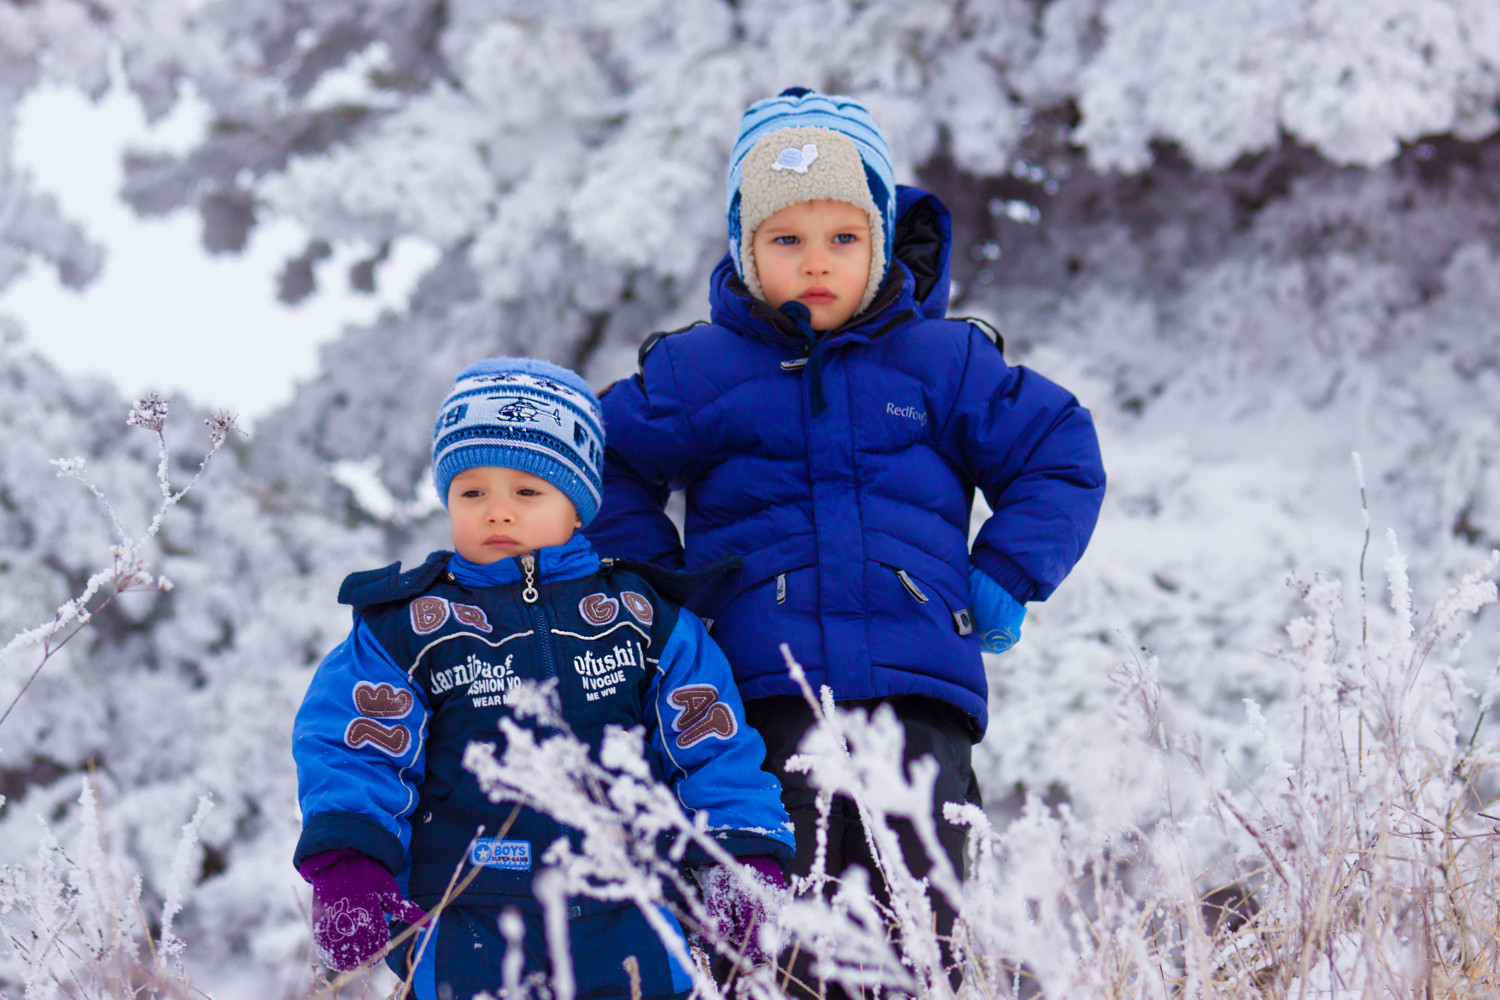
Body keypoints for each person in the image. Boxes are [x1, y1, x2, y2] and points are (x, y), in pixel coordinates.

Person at [585, 89, 1106, 994]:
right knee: (772, 931)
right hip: (761, 703)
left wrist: (1009, 569)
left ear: (877, 240)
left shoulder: (945, 363)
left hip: (919, 701)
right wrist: (659, 587)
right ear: (748, 249)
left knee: (922, 931)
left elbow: (1058, 450)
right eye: (787, 240)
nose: (816, 263)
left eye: (843, 237)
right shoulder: (698, 371)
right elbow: (600, 465)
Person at [292, 358, 794, 1000]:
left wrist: (739, 859)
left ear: (577, 506)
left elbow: (710, 743)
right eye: (473, 492)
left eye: (527, 491)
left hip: (632, 915)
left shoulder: (643, 618)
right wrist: (349, 864)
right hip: (464, 919)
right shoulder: (409, 626)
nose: (497, 512)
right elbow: (356, 744)